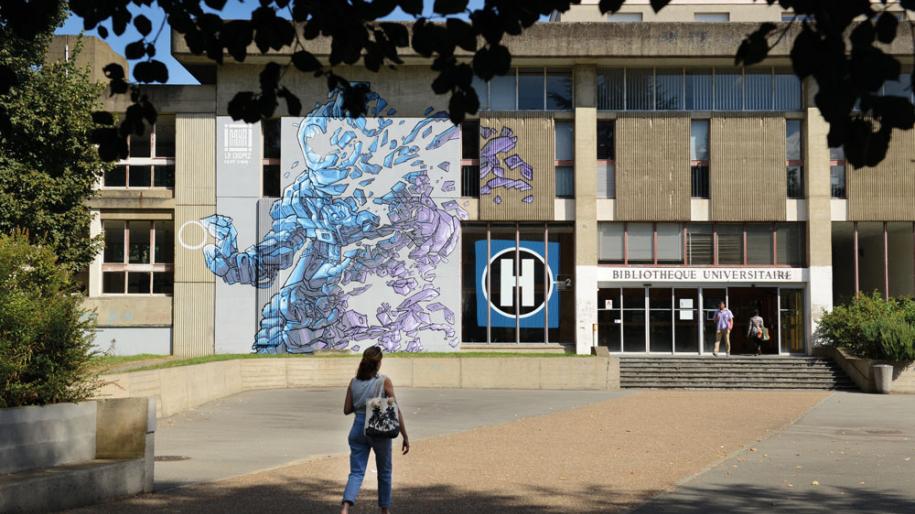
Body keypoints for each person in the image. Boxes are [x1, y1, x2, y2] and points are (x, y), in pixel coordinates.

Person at [341, 347, 410, 514]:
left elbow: (347, 409)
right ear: (378, 363)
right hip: (379, 427)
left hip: (358, 428)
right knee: (384, 470)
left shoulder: (353, 382)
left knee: (356, 472)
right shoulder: (384, 381)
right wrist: (405, 436)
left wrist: (362, 402)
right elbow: (396, 409)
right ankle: (384, 510)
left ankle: (345, 507)